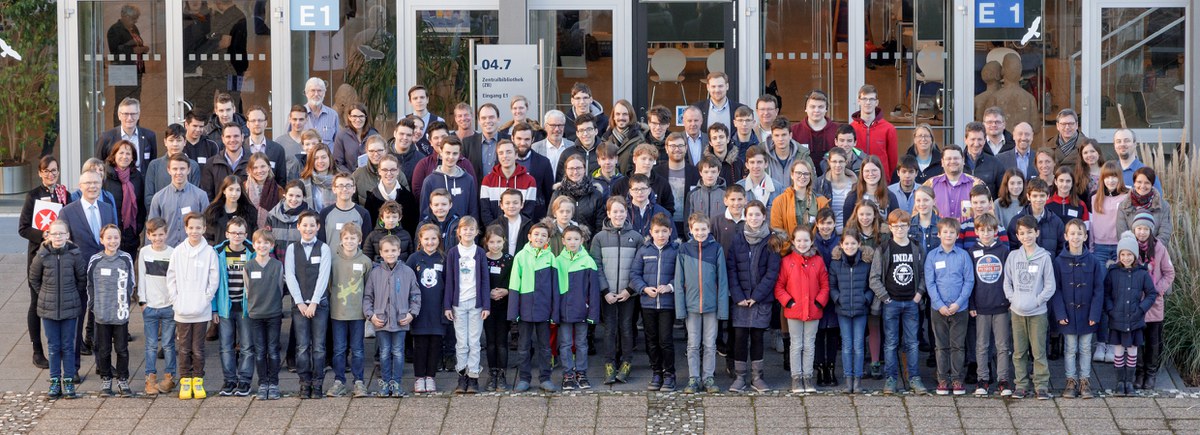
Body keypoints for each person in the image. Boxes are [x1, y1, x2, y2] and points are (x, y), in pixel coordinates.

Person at [18, 156, 71, 369]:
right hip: (39, 256)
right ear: (40, 173)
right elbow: (23, 228)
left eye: (54, 171)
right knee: (37, 301)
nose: (51, 175)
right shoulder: (33, 196)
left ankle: (61, 345)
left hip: (62, 255)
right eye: (47, 171)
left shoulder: (63, 194)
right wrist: (43, 235)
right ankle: (37, 349)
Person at [61, 170, 118, 362]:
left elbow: (113, 239)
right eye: (88, 183)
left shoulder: (107, 208)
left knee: (102, 321)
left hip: (104, 273)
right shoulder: (68, 211)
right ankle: (74, 365)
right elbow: (64, 245)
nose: (92, 186)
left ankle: (103, 366)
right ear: (80, 186)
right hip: (79, 274)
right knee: (77, 321)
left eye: (96, 182)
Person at [870, 210, 928, 395]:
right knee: (891, 343)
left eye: (903, 225)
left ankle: (914, 378)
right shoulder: (884, 248)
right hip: (891, 303)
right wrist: (885, 297)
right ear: (890, 227)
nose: (900, 229)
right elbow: (874, 278)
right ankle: (891, 378)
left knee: (912, 343)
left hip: (912, 302)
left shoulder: (917, 248)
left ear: (909, 227)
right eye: (896, 226)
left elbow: (925, 274)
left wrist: (919, 293)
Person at [727, 201, 782, 393]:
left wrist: (756, 296)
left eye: (757, 215)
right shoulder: (738, 239)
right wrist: (738, 296)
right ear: (745, 216)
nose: (754, 218)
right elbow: (731, 268)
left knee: (757, 337)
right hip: (740, 299)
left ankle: (757, 377)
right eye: (750, 215)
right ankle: (740, 377)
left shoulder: (772, 240)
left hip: (761, 299)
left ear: (764, 216)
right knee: (740, 337)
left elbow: (772, 272)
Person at [31, 220, 87, 399]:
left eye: (61, 234)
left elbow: (82, 278)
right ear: (48, 235)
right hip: (48, 309)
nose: (58, 237)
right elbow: (34, 278)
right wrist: (45, 295)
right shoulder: (42, 255)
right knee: (54, 347)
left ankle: (69, 381)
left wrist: (72, 295)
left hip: (70, 308)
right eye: (54, 234)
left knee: (68, 346)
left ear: (67, 235)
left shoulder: (75, 254)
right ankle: (55, 381)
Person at [1004, 215, 1058, 400]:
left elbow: (1050, 286)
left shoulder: (1044, 258)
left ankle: (1041, 385)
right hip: (1017, 312)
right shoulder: (1013, 256)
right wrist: (1014, 300)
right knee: (1019, 351)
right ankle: (1021, 385)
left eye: (1029, 232)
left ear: (1037, 233)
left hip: (1037, 312)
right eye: (1022, 233)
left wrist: (1037, 301)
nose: (1026, 236)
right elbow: (1007, 282)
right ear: (1017, 236)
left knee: (1038, 351)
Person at [168, 212, 220, 400]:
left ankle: (198, 379)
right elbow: (171, 278)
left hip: (201, 310)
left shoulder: (209, 253)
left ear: (204, 229)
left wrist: (205, 299)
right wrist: (175, 300)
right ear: (185, 229)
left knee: (198, 348)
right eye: (191, 228)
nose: (195, 231)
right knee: (183, 347)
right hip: (182, 309)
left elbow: (214, 280)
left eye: (199, 228)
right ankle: (185, 380)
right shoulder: (178, 251)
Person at [675, 214, 730, 394]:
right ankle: (693, 378)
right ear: (690, 230)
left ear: (709, 230)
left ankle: (708, 377)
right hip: (691, 307)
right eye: (696, 229)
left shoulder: (716, 249)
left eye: (703, 229)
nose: (700, 232)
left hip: (711, 307)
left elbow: (722, 281)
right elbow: (679, 281)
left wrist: (722, 309)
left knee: (710, 344)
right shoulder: (684, 249)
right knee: (692, 344)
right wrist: (680, 309)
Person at [590, 197, 642, 385]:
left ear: (627, 213)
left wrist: (629, 289)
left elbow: (639, 266)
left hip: (629, 294)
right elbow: (595, 265)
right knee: (610, 329)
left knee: (627, 328)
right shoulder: (599, 238)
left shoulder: (635, 237)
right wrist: (605, 291)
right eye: (615, 211)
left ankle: (626, 362)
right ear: (608, 213)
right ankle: (609, 364)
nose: (618, 215)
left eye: (622, 211)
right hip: (608, 294)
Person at [1052, 219, 1104, 399]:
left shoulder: (1094, 262)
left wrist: (1095, 314)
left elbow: (1099, 290)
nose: (1076, 237)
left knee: (1085, 348)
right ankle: (1070, 381)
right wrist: (1060, 313)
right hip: (1067, 314)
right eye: (1072, 233)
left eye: (1079, 233)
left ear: (1086, 236)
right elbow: (1056, 289)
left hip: (1087, 315)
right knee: (1069, 348)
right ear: (1066, 236)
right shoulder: (1058, 262)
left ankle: (1085, 381)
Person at [363, 234, 421, 397]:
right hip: (381, 321)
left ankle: (396, 384)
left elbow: (415, 295)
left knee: (398, 352)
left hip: (401, 320)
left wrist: (411, 313)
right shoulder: (375, 273)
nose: (390, 254)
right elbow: (368, 297)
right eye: (386, 251)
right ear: (380, 253)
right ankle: (385, 384)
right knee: (384, 352)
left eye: (393, 250)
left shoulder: (407, 272)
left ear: (399, 251)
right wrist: (371, 315)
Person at [283, 210, 332, 398]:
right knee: (302, 346)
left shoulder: (324, 248)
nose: (308, 228)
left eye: (312, 225)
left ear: (318, 227)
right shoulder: (291, 249)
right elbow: (290, 276)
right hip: (299, 305)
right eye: (304, 225)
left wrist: (314, 302)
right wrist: (300, 302)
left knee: (319, 346)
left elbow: (323, 276)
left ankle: (318, 382)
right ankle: (304, 383)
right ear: (298, 227)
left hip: (319, 304)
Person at [776, 225, 829, 393]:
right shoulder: (787, 261)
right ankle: (796, 378)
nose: (802, 243)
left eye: (806, 240)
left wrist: (819, 302)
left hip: (813, 310)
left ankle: (808, 377)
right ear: (793, 241)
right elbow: (779, 287)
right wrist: (789, 302)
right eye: (798, 240)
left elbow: (825, 285)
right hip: (794, 311)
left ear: (812, 241)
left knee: (809, 345)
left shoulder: (818, 261)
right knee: (796, 345)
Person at [629, 214, 679, 391]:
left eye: (664, 231)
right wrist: (643, 289)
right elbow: (634, 275)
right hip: (648, 304)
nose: (661, 235)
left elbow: (681, 276)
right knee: (651, 340)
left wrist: (671, 287)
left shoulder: (675, 251)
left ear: (670, 232)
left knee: (665, 340)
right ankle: (656, 372)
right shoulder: (644, 250)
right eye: (657, 231)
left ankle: (669, 374)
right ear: (650, 232)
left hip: (667, 304)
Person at [965, 214, 1013, 397]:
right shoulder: (972, 252)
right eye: (982, 230)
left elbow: (1009, 278)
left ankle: (1003, 379)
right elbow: (970, 281)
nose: (986, 233)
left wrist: (1009, 300)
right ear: (976, 231)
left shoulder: (1004, 251)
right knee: (981, 345)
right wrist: (971, 304)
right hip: (980, 307)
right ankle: (982, 380)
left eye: (990, 230)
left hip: (1001, 305)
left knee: (1002, 346)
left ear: (996, 232)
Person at [1104, 232, 1157, 396]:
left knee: (1133, 351)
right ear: (1119, 255)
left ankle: (1129, 382)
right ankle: (1120, 383)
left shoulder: (1142, 273)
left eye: (1129, 254)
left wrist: (1141, 309)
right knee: (1118, 351)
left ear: (1135, 255)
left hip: (1135, 319)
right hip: (1117, 319)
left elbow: (1151, 293)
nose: (1126, 258)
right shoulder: (1113, 272)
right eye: (1123, 254)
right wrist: (1111, 310)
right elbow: (1106, 294)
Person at [509, 223, 560, 393]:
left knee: (546, 347)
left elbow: (555, 287)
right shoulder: (521, 256)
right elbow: (514, 284)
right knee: (523, 347)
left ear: (548, 239)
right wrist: (513, 312)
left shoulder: (550, 257)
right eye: (536, 234)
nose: (539, 238)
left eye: (543, 235)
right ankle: (524, 378)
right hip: (525, 309)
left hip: (544, 310)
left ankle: (545, 378)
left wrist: (555, 311)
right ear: (529, 236)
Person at [925, 218, 973, 396]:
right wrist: (939, 304)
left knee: (958, 346)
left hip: (959, 309)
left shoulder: (963, 255)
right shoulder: (932, 256)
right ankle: (942, 379)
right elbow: (930, 283)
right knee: (941, 346)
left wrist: (958, 303)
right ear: (938, 234)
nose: (948, 235)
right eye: (945, 232)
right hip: (939, 309)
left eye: (952, 232)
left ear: (957, 235)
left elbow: (969, 281)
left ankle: (957, 379)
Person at [87, 225, 136, 397]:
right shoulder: (95, 260)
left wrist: (124, 304)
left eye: (116, 237)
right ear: (101, 240)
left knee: (122, 349)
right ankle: (106, 379)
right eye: (108, 238)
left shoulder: (125, 258)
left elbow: (131, 283)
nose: (112, 241)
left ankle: (123, 379)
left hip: (120, 314)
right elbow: (89, 285)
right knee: (103, 349)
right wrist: (93, 307)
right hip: (101, 315)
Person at [443, 217, 491, 394]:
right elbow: (449, 281)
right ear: (459, 232)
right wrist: (447, 305)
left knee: (475, 342)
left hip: (476, 304)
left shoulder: (479, 253)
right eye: (465, 229)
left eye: (472, 229)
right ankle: (462, 376)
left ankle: (474, 377)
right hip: (458, 304)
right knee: (462, 342)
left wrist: (486, 305)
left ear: (477, 232)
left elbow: (485, 280)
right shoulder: (453, 253)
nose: (468, 232)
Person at [324, 222, 371, 397]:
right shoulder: (333, 260)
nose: (350, 241)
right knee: (339, 348)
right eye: (346, 238)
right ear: (341, 240)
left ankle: (359, 381)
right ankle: (339, 381)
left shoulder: (365, 261)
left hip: (358, 313)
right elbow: (329, 284)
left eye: (353, 238)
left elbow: (368, 286)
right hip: (338, 312)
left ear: (359, 240)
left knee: (358, 348)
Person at [1089, 162, 1129, 363]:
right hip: (1100, 250)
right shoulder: (1095, 198)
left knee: (1119, 296)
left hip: (1120, 249)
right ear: (1102, 179)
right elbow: (1091, 227)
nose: (1111, 180)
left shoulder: (1126, 197)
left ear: (1119, 178)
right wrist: (1091, 250)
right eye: (1107, 176)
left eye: (1114, 176)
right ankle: (1101, 342)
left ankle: (1115, 343)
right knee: (1102, 296)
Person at [1129, 215, 1175, 391]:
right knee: (1137, 341)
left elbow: (1169, 273)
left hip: (1154, 303)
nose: (1142, 232)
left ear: (1151, 231)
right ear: (1134, 230)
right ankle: (1139, 373)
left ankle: (1150, 374)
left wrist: (1157, 290)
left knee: (1153, 341)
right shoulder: (1129, 247)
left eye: (1145, 229)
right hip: (1135, 303)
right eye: (1139, 228)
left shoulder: (1159, 248)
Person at [553, 225, 600, 391]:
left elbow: (593, 291)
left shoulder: (588, 261)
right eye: (569, 239)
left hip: (582, 311)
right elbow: (554, 290)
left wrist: (593, 312)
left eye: (576, 239)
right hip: (563, 311)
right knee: (565, 343)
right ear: (563, 241)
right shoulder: (557, 261)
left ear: (582, 240)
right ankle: (568, 374)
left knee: (581, 343)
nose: (573, 242)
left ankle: (581, 372)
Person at [211, 217, 254, 397]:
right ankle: (229, 380)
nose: (237, 236)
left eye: (241, 233)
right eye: (233, 233)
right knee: (226, 345)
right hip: (225, 306)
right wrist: (214, 309)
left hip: (245, 307)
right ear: (227, 234)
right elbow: (213, 282)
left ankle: (244, 381)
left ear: (246, 234)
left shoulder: (253, 250)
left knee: (246, 346)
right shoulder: (218, 252)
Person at [828, 228, 874, 394]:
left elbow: (871, 286)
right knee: (847, 346)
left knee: (859, 346)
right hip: (843, 310)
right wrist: (838, 298)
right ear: (841, 245)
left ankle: (858, 381)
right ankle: (848, 380)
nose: (850, 246)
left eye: (853, 243)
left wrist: (865, 299)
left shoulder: (866, 263)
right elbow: (831, 286)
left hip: (861, 310)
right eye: (846, 243)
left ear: (859, 244)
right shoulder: (835, 263)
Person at [243, 229, 284, 400]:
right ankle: (263, 383)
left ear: (272, 246)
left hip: (274, 313)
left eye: (266, 242)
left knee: (273, 350)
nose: (262, 246)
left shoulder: (277, 265)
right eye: (259, 242)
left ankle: (273, 383)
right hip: (256, 314)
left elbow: (281, 289)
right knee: (259, 351)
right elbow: (247, 290)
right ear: (253, 245)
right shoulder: (249, 266)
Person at [408, 224, 449, 393]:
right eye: (426, 239)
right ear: (420, 240)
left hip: (437, 309)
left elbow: (449, 284)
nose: (430, 242)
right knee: (420, 345)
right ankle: (419, 378)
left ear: (439, 239)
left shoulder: (443, 258)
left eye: (434, 238)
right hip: (420, 310)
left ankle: (431, 377)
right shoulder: (414, 259)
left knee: (435, 345)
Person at [138, 218, 177, 396]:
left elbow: (176, 280)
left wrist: (175, 302)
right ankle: (150, 378)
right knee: (151, 345)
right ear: (148, 235)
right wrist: (142, 301)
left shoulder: (173, 253)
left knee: (168, 344)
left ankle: (170, 377)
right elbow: (142, 277)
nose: (158, 238)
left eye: (161, 234)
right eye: (154, 235)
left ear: (166, 234)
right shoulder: (144, 252)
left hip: (169, 305)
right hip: (151, 306)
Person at [148, 154, 210, 247]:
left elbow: (207, 225)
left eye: (182, 169)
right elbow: (152, 228)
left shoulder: (201, 196)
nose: (179, 172)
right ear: (169, 170)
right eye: (175, 169)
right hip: (167, 250)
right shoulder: (158, 198)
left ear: (189, 170)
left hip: (193, 249)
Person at [481, 226, 514, 391]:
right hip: (487, 306)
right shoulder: (482, 259)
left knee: (502, 342)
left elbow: (514, 280)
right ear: (486, 242)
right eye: (492, 241)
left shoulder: (509, 259)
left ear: (504, 241)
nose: (495, 245)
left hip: (504, 306)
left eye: (499, 241)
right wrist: (487, 293)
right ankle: (491, 373)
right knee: (490, 342)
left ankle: (502, 374)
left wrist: (506, 290)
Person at [812, 209, 842, 387]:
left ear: (834, 224)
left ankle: (831, 367)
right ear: (817, 224)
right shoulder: (812, 242)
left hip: (835, 292)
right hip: (816, 293)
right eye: (822, 223)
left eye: (829, 223)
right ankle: (820, 368)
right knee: (817, 333)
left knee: (832, 332)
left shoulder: (839, 242)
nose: (826, 227)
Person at [101, 140, 146, 257]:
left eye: (128, 154)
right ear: (114, 155)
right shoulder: (105, 176)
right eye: (121, 153)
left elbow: (141, 204)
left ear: (132, 158)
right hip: (110, 235)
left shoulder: (137, 177)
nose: (124, 157)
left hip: (131, 235)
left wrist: (138, 226)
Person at [419, 136, 479, 222]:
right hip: (437, 233)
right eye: (447, 153)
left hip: (462, 233)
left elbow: (473, 212)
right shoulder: (430, 181)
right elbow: (424, 215)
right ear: (441, 152)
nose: (451, 157)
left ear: (459, 154)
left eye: (455, 153)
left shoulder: (468, 180)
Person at [106, 5, 148, 125]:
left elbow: (137, 44)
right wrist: (133, 51)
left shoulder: (133, 28)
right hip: (122, 69)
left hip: (136, 70)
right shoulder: (115, 29)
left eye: (136, 18)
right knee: (122, 103)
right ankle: (119, 130)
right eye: (133, 18)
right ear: (124, 16)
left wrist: (143, 48)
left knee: (135, 102)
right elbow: (115, 51)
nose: (135, 21)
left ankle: (134, 129)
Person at [481, 140, 538, 225]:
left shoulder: (529, 181)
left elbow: (528, 212)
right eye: (501, 153)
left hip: (520, 231)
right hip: (494, 233)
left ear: (516, 155)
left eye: (509, 152)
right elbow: (485, 211)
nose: (505, 156)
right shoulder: (488, 180)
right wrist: (495, 231)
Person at [144, 124, 201, 210]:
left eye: (178, 140)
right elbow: (148, 198)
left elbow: (194, 196)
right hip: (159, 218)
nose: (175, 144)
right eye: (171, 140)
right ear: (165, 142)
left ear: (185, 142)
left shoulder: (193, 166)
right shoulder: (154, 165)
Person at [95, 97, 157, 171]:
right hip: (114, 182)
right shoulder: (106, 137)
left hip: (141, 182)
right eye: (126, 114)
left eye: (133, 114)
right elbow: (98, 164)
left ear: (138, 115)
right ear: (119, 115)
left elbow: (152, 164)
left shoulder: (149, 136)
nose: (129, 118)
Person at [850, 85, 898, 179]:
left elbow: (893, 161)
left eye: (871, 99)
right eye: (864, 99)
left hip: (881, 181)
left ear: (876, 102)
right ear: (859, 101)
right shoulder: (851, 128)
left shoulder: (889, 128)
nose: (868, 102)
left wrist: (886, 178)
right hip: (857, 179)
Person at [1006, 178, 1065, 254]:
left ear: (1048, 196)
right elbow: (1012, 248)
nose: (1038, 199)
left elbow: (1062, 248)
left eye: (1042, 196)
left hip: (1049, 265)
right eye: (1035, 196)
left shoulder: (1056, 222)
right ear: (1028, 196)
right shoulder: (1016, 221)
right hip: (1024, 264)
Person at [1116, 167, 1173, 245]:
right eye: (1139, 182)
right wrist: (1135, 251)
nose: (1142, 186)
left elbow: (1165, 233)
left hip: (1156, 252)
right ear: (1134, 183)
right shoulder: (1124, 206)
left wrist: (1150, 249)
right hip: (1131, 253)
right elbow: (1122, 234)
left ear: (1152, 184)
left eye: (1147, 183)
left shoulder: (1163, 206)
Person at [924, 145, 982, 221]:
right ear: (942, 162)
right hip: (938, 232)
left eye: (956, 158)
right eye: (948, 158)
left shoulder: (976, 184)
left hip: (969, 232)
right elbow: (918, 214)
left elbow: (988, 216)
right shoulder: (930, 184)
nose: (952, 161)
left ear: (963, 160)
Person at [512, 122, 556, 219]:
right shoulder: (502, 162)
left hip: (536, 218)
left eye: (527, 139)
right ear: (512, 138)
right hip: (509, 217)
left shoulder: (543, 162)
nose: (523, 143)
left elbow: (549, 194)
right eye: (519, 139)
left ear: (533, 140)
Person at [790, 90, 839, 167]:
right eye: (812, 107)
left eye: (821, 107)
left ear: (826, 109)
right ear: (805, 109)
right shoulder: (794, 131)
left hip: (831, 177)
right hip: (802, 177)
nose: (816, 110)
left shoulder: (837, 130)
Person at [203, 175, 258, 244]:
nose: (234, 193)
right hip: (218, 253)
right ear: (224, 191)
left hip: (244, 253)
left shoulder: (249, 212)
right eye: (231, 189)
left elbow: (253, 236)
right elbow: (207, 236)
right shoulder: (212, 212)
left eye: (238, 190)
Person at [765, 118, 815, 191]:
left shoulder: (803, 157)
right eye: (776, 135)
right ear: (772, 137)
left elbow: (812, 183)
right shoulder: (763, 155)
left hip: (796, 200)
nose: (780, 139)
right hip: (770, 201)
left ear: (790, 135)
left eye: (784, 135)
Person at [200, 122, 250, 195]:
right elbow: (207, 195)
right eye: (228, 137)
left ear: (242, 137)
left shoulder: (253, 162)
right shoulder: (211, 164)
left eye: (236, 136)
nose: (232, 140)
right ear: (223, 139)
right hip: (219, 206)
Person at [244, 106, 289, 184]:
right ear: (248, 124)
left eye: (260, 120)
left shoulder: (278, 150)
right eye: (253, 120)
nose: (257, 123)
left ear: (265, 123)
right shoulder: (240, 148)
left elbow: (281, 180)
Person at [600, 99, 646, 175]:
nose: (621, 117)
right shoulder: (605, 139)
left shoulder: (640, 140)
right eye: (618, 114)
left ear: (630, 116)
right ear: (613, 117)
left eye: (625, 114)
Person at [266, 181, 309, 260]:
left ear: (303, 197)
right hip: (277, 265)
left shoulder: (310, 217)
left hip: (301, 266)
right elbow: (267, 242)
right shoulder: (272, 216)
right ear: (285, 195)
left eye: (298, 196)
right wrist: (274, 263)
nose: (294, 199)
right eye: (291, 195)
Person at [816, 148, 856, 232]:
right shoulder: (820, 184)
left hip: (849, 234)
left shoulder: (855, 184)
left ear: (846, 162)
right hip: (827, 234)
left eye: (841, 161)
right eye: (834, 161)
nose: (838, 165)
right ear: (829, 162)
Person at [331, 103, 378, 173]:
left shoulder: (373, 134)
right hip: (349, 178)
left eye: (361, 116)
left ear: (366, 117)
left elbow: (380, 157)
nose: (358, 120)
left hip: (370, 176)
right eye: (354, 116)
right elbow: (338, 163)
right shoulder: (342, 136)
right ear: (349, 117)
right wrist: (351, 176)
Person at [962, 121, 1005, 196]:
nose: (976, 144)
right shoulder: (956, 163)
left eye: (979, 139)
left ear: (985, 140)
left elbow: (1002, 193)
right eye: (972, 139)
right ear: (965, 140)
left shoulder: (995, 164)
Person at [532, 110, 574, 181]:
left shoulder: (572, 146)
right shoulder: (535, 148)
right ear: (545, 127)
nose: (557, 129)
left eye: (560, 125)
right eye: (553, 125)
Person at [557, 114, 603, 179]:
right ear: (577, 133)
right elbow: (559, 180)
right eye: (581, 130)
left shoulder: (604, 153)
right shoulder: (567, 154)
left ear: (596, 131)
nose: (585, 134)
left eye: (589, 129)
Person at [737, 146, 781, 212]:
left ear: (766, 164)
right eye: (752, 162)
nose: (756, 166)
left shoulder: (779, 189)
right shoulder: (738, 188)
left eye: (759, 162)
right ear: (747, 165)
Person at [462, 104, 502, 178]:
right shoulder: (467, 143)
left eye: (491, 117)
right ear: (479, 121)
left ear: (498, 119)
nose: (488, 121)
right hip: (476, 189)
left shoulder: (509, 141)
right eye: (483, 118)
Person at [685, 156, 728, 223]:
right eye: (706, 172)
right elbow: (688, 222)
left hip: (720, 233)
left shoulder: (726, 193)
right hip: (699, 233)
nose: (709, 175)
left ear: (718, 172)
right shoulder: (692, 195)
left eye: (713, 172)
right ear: (700, 173)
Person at [244, 153, 281, 230]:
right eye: (255, 167)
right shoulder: (243, 188)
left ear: (269, 167)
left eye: (263, 166)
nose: (259, 171)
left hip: (269, 235)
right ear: (250, 170)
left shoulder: (279, 190)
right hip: (246, 233)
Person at [705, 123, 744, 187]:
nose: (718, 141)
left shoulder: (738, 163)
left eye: (721, 137)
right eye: (714, 138)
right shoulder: (704, 165)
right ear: (710, 143)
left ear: (728, 139)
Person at [300, 144, 337, 212]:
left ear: (330, 158)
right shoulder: (303, 183)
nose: (320, 161)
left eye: (323, 157)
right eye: (316, 158)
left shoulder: (339, 181)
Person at [302, 77, 339, 144]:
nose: (316, 94)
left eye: (319, 91)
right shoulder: (298, 114)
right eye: (313, 90)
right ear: (306, 93)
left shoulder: (333, 115)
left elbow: (338, 143)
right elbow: (290, 138)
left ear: (324, 93)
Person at [712, 185, 747, 250]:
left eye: (740, 199)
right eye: (732, 199)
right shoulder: (716, 222)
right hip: (723, 259)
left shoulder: (751, 220)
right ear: (725, 201)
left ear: (745, 200)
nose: (736, 203)